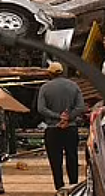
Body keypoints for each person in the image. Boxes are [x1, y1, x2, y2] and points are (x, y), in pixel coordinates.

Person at [36, 62, 86, 193]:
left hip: (53, 129)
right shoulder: (74, 86)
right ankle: (74, 186)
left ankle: (59, 187)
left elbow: (41, 109)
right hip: (71, 128)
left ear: (50, 73)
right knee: (72, 157)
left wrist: (58, 117)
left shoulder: (45, 88)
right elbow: (81, 107)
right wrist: (67, 118)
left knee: (55, 160)